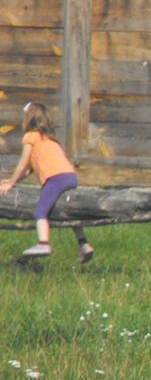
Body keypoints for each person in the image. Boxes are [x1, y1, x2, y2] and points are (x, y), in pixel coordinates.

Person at [0, 102, 94, 263]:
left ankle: (43, 243)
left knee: (40, 212)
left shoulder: (30, 137)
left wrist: (9, 184)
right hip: (70, 176)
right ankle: (84, 243)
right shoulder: (51, 140)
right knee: (70, 211)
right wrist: (13, 181)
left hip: (55, 179)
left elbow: (23, 163)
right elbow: (30, 169)